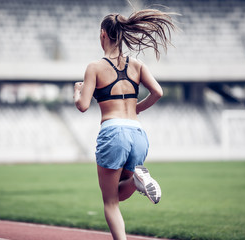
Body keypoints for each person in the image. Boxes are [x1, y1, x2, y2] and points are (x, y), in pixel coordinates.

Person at [73, 9, 176, 240]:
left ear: (103, 35)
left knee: (110, 202)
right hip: (137, 133)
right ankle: (138, 181)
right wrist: (136, 108)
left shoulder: (95, 67)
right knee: (119, 194)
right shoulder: (137, 65)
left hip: (113, 132)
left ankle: (138, 183)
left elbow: (82, 105)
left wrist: (76, 91)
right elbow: (158, 92)